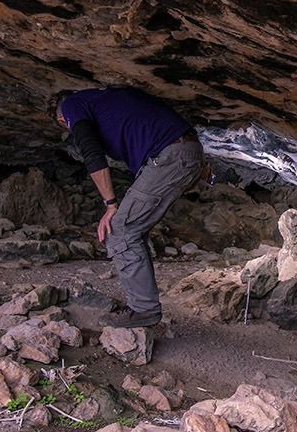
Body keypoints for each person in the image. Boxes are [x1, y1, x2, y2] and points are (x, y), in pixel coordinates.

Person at [55, 87, 205, 328]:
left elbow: (91, 151)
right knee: (132, 228)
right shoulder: (108, 98)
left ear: (62, 119)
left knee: (120, 230)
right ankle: (141, 305)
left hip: (169, 155)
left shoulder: (72, 105)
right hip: (185, 151)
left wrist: (110, 204)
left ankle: (143, 310)